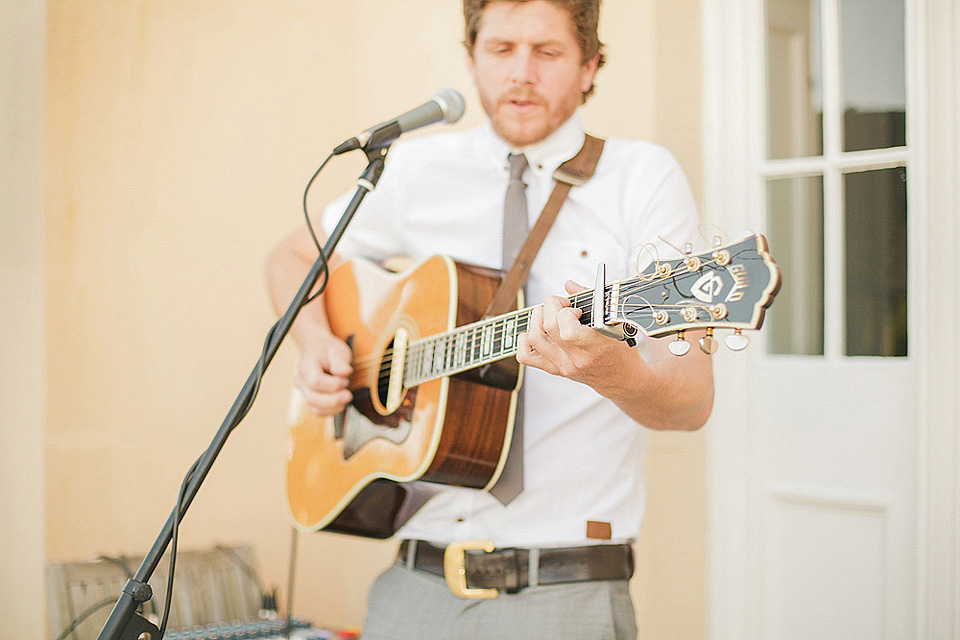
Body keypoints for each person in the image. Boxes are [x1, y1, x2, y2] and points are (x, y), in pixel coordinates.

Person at [266, 1, 714, 638]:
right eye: (501, 50)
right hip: (412, 587)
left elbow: (691, 400)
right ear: (472, 58)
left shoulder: (641, 178)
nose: (521, 73)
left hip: (566, 591)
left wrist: (612, 372)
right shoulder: (416, 170)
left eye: (548, 52)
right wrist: (313, 340)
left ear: (589, 65)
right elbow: (291, 257)